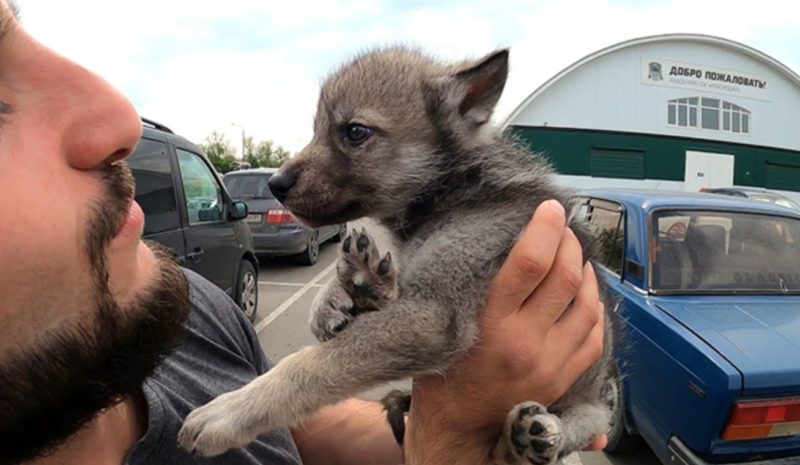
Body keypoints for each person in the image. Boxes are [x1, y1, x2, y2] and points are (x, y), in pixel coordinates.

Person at [0, 1, 606, 464]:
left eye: (355, 136)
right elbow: (435, 325)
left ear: (466, 107)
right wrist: (450, 431)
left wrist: (407, 420)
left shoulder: (202, 313)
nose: (118, 116)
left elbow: (415, 339)